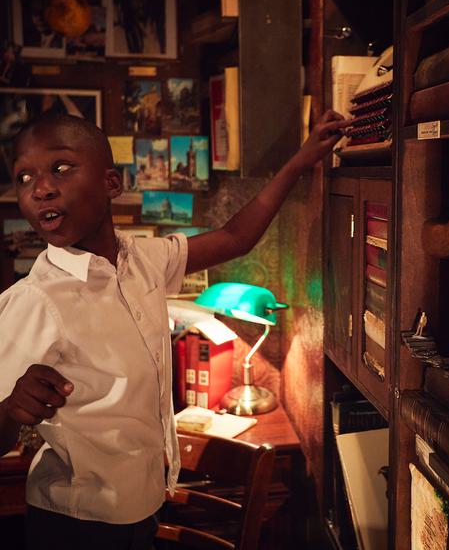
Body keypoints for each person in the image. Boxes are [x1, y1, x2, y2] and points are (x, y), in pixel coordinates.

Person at [0, 110, 348, 550]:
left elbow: (236, 237)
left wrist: (301, 161)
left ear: (112, 183)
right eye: (23, 177)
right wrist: (12, 410)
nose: (41, 187)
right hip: (77, 525)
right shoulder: (34, 300)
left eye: (61, 167)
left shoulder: (142, 260)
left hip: (144, 508)